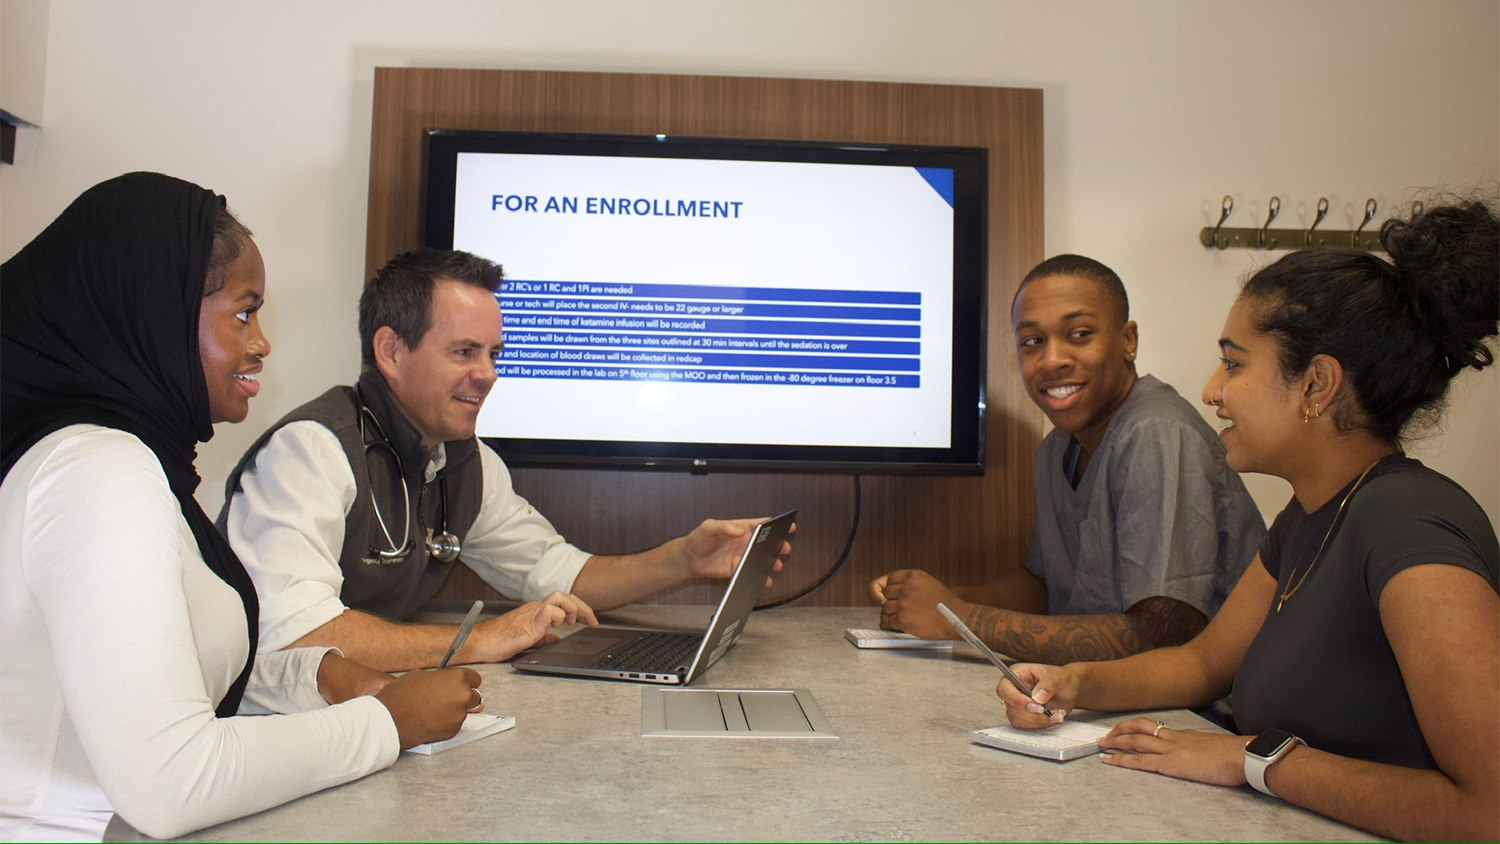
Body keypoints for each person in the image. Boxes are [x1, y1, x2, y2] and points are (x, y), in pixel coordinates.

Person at [996, 201, 1500, 841]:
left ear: (1316, 384)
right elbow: (1204, 663)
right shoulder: (1311, 514)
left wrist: (1253, 760)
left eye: (1233, 364)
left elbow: (1488, 813)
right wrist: (1073, 684)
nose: (1212, 390)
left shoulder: (1410, 530)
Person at [0, 173, 480, 841]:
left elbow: (159, 680)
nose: (261, 344)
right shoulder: (98, 474)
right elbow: (170, 781)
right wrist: (389, 723)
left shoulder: (125, 463)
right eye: (243, 312)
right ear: (153, 314)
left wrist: (316, 677)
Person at [218, 248, 792, 672]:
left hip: (369, 709)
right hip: (276, 727)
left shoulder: (465, 464)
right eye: (464, 352)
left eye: (494, 353)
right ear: (390, 350)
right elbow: (291, 633)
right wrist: (478, 640)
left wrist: (684, 559)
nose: (488, 374)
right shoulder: (310, 450)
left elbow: (560, 575)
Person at [870, 255, 1265, 663]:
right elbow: (1042, 587)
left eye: (1078, 334)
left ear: (1128, 341)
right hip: (1108, 696)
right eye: (1032, 341)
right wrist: (931, 600)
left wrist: (959, 619)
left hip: (1206, 716)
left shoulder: (1156, 431)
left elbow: (1159, 634)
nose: (1051, 359)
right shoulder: (1058, 446)